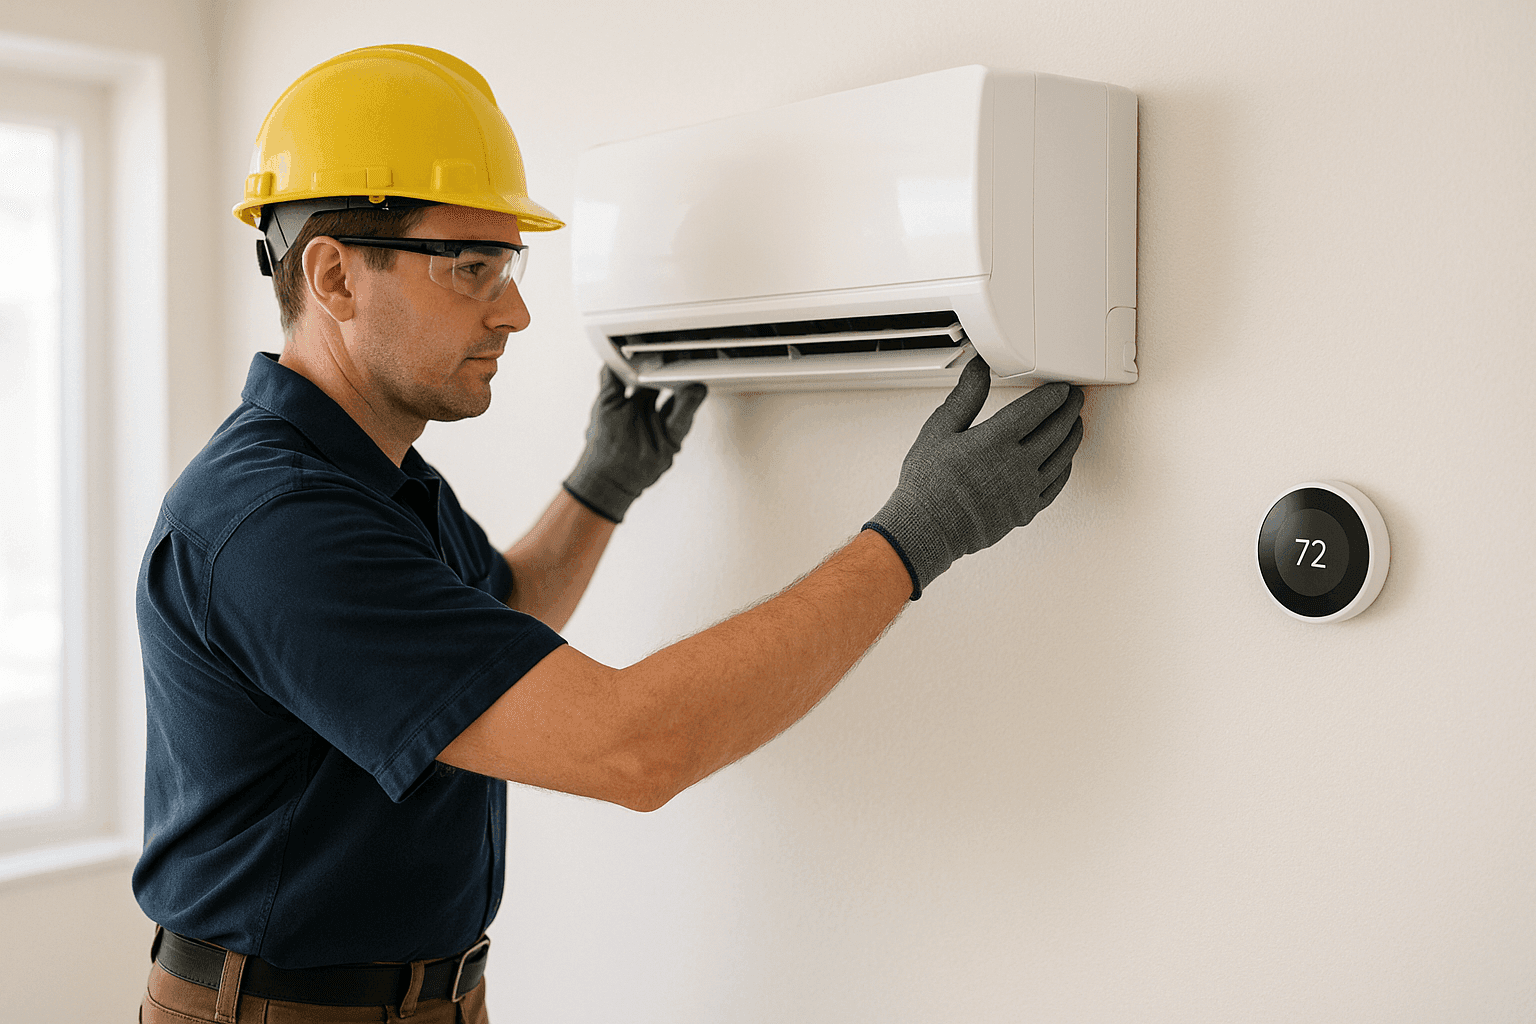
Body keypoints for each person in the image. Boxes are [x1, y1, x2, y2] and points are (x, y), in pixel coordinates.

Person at [134, 44, 1085, 1024]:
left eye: (509, 263)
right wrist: (919, 532)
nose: (516, 309)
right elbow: (637, 746)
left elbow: (482, 641)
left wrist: (599, 490)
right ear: (335, 276)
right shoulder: (280, 525)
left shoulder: (370, 477)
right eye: (471, 268)